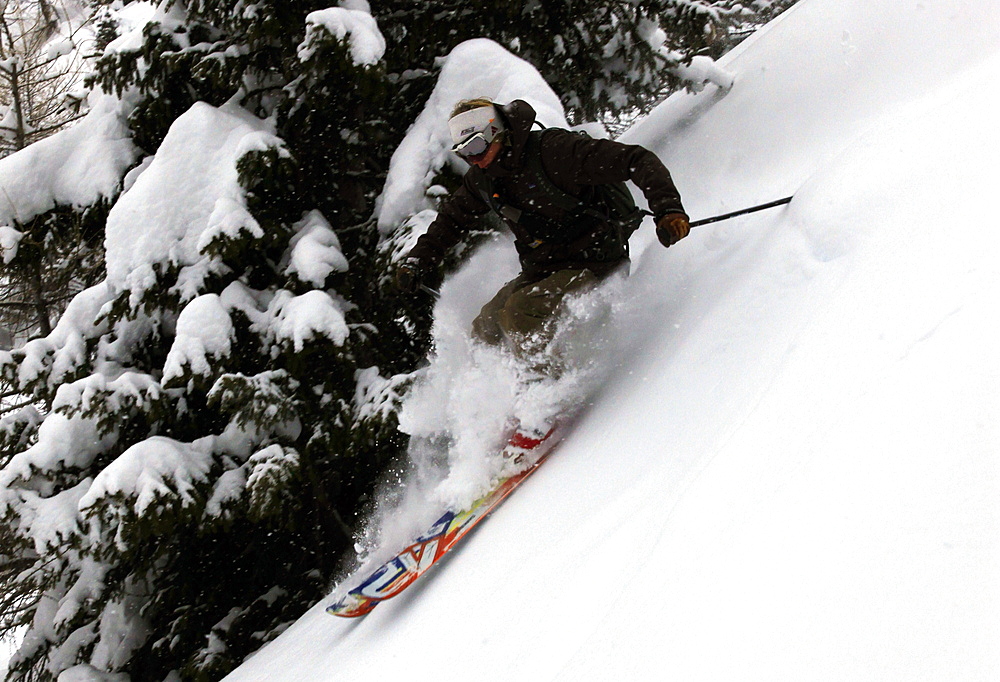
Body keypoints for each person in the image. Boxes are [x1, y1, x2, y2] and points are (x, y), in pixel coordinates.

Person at [395, 97, 689, 365]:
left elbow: (636, 160)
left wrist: (668, 209)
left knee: (519, 314)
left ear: (495, 132)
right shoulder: (483, 179)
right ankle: (503, 397)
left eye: (475, 147)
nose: (473, 159)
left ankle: (546, 393)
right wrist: (418, 260)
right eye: (463, 153)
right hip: (543, 269)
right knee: (485, 326)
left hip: (596, 258)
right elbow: (451, 221)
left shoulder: (553, 151)